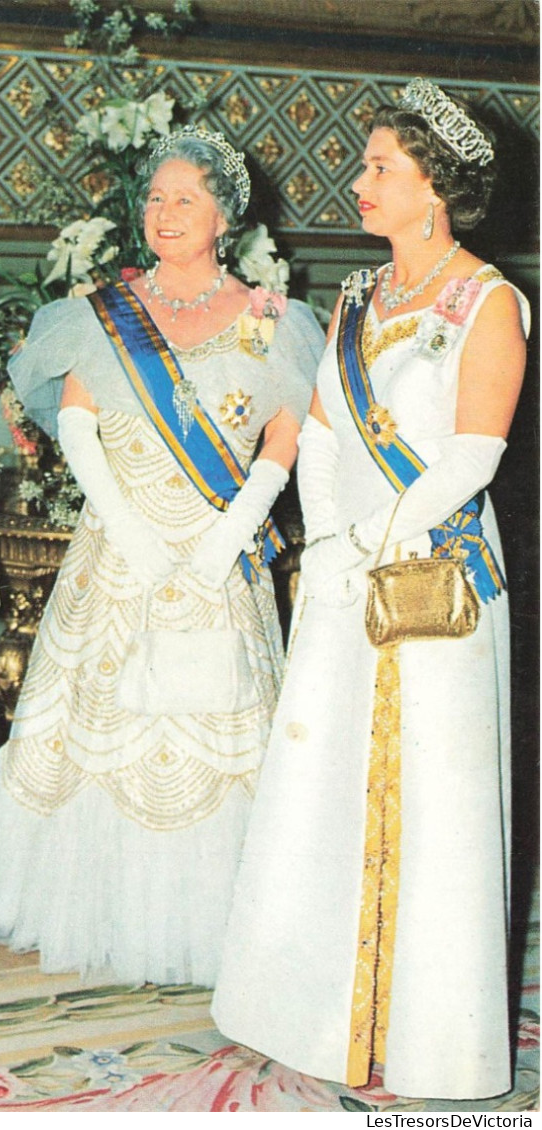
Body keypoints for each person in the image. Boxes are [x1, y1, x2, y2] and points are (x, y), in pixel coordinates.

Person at [211, 79, 530, 1100]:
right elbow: (317, 432)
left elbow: (474, 453)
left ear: (433, 190)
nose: (357, 182)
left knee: (432, 802)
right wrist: (325, 537)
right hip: (347, 571)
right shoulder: (355, 299)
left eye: (379, 168)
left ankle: (430, 1035)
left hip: (433, 581)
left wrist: (372, 536)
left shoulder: (489, 300)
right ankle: (307, 1011)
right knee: (325, 782)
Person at [0, 126, 324, 987]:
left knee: (212, 731)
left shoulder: (277, 321)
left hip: (217, 554)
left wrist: (223, 542)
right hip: (118, 555)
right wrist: (131, 534)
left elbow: (285, 440)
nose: (164, 213)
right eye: (155, 197)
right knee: (99, 730)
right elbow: (79, 424)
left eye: (185, 199)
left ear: (225, 217)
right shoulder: (104, 312)